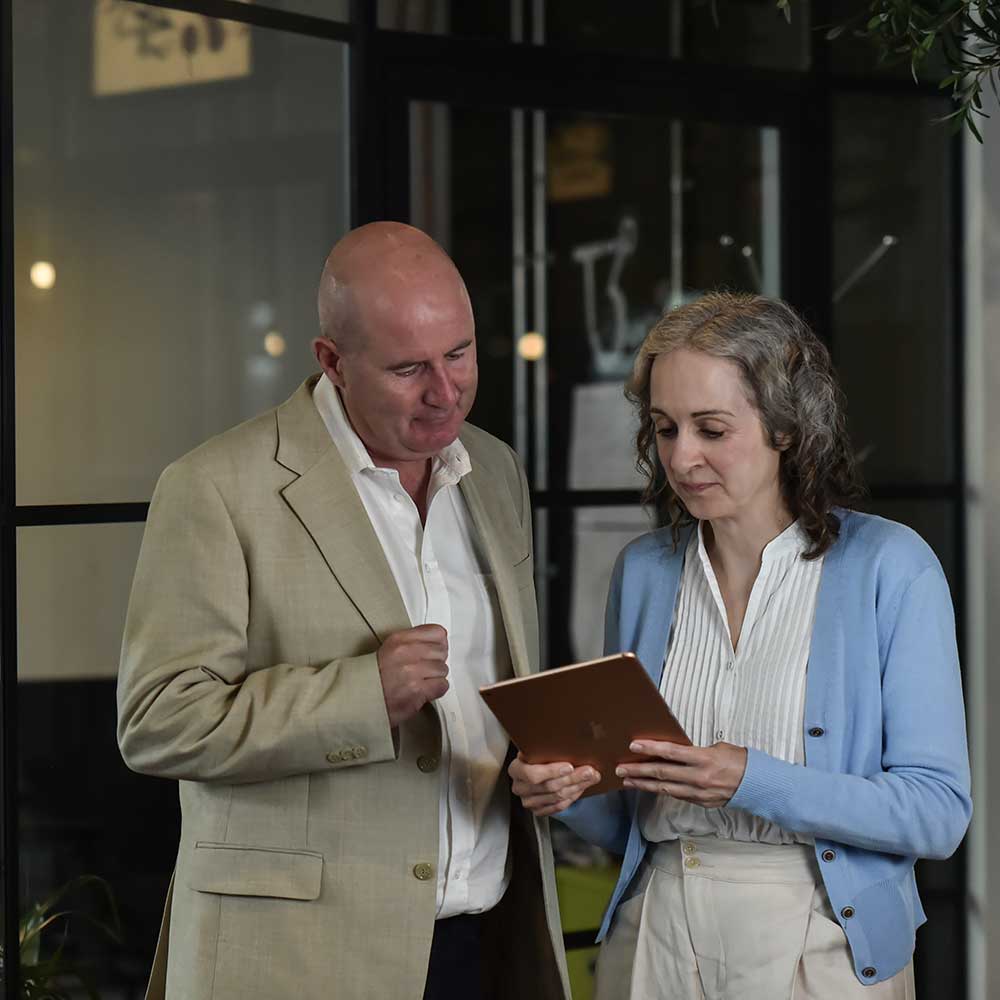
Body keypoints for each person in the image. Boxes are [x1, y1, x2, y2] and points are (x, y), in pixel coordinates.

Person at [117, 222, 571, 1000]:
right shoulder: (216, 487)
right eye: (407, 368)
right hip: (299, 959)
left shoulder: (494, 469)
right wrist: (364, 697)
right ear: (332, 361)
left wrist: (547, 763)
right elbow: (158, 720)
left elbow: (491, 692)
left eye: (459, 354)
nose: (445, 390)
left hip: (488, 940)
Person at [509, 291, 971, 999]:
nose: (681, 456)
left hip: (823, 943)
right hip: (655, 935)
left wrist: (752, 779)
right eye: (664, 429)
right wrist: (563, 789)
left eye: (711, 429)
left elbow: (936, 813)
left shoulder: (892, 566)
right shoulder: (643, 570)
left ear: (787, 427)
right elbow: (628, 816)